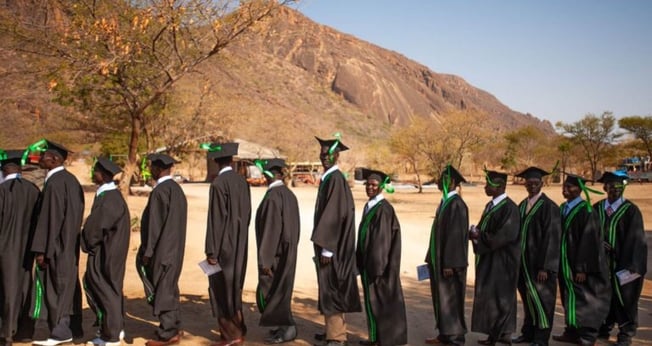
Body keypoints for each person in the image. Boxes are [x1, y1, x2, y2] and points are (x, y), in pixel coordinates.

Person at [30, 140, 85, 346]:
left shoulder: (55, 183)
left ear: (54, 160)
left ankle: (60, 332)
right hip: (68, 245)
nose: (41, 159)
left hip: (56, 246)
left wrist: (43, 249)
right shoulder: (71, 181)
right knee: (67, 285)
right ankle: (72, 329)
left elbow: (49, 219)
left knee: (56, 287)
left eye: (44, 156)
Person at [312, 136, 361, 346]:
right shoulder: (330, 179)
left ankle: (337, 337)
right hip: (330, 245)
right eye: (322, 154)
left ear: (337, 156)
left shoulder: (335, 180)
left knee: (333, 288)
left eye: (329, 154)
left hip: (333, 248)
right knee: (327, 287)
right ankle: (330, 331)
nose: (325, 157)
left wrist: (327, 249)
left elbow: (334, 215)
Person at [553, 173, 610, 346]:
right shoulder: (563, 207)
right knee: (568, 297)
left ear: (579, 189)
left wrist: (582, 268)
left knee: (585, 299)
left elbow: (590, 242)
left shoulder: (586, 211)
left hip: (579, 267)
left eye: (569, 187)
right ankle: (571, 331)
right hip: (565, 263)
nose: (565, 190)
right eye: (564, 187)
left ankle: (588, 335)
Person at [136, 153, 187, 346]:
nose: (150, 170)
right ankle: (174, 325)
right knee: (170, 287)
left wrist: (148, 252)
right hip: (175, 249)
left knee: (163, 289)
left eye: (151, 167)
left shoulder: (160, 191)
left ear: (158, 169)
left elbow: (154, 226)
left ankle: (167, 333)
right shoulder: (177, 190)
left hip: (162, 251)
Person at [204, 143, 251, 346]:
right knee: (235, 286)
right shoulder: (242, 182)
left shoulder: (218, 184)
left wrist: (211, 251)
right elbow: (247, 215)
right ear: (232, 160)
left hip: (223, 245)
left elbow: (215, 220)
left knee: (221, 288)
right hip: (240, 243)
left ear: (215, 161)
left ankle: (231, 335)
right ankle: (240, 328)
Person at [594, 171, 647, 346]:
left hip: (623, 264)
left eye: (618, 186)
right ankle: (603, 328)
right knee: (603, 297)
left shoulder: (631, 211)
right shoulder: (597, 208)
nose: (614, 190)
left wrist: (619, 254)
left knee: (625, 299)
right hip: (601, 264)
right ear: (604, 187)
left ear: (623, 188)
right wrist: (598, 244)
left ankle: (626, 334)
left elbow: (636, 240)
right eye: (610, 186)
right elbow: (589, 234)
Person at [82, 158, 130, 346]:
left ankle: (111, 335)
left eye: (96, 171)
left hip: (106, 254)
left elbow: (95, 229)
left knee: (106, 290)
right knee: (108, 290)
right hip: (108, 251)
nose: (94, 174)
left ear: (104, 175)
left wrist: (86, 241)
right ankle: (112, 330)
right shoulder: (109, 196)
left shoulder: (110, 199)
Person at [469, 170, 520, 346]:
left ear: (501, 186)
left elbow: (505, 235)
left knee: (502, 297)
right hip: (491, 259)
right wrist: (476, 234)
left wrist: (479, 235)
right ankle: (497, 334)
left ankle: (502, 334)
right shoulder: (491, 205)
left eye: (489, 184)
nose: (486, 187)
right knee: (493, 296)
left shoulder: (510, 208)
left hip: (504, 261)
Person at [356, 169, 407, 346]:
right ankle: (375, 338)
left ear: (382, 187)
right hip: (369, 265)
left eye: (374, 185)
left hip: (379, 268)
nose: (370, 187)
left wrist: (376, 268)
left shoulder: (384, 210)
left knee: (382, 304)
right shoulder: (370, 205)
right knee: (374, 304)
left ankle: (384, 341)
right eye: (368, 184)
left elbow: (382, 242)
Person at [512, 167, 561, 346]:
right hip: (524, 264)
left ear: (542, 184)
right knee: (528, 301)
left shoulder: (550, 207)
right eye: (529, 183)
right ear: (524, 184)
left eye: (535, 183)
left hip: (540, 267)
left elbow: (552, 239)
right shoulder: (523, 205)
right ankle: (528, 333)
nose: (532, 186)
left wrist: (546, 267)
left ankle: (541, 339)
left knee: (543, 302)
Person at [254, 159, 300, 344]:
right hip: (287, 252)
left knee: (271, 291)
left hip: (275, 255)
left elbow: (271, 230)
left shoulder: (273, 196)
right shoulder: (288, 194)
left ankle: (288, 328)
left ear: (268, 175)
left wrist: (265, 260)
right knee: (281, 290)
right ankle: (281, 327)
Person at [424, 165, 468, 346]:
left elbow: (455, 237)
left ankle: (456, 338)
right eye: (440, 178)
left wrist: (449, 263)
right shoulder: (444, 202)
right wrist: (430, 258)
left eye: (445, 179)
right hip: (439, 261)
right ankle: (444, 334)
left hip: (450, 264)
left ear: (453, 183)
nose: (441, 181)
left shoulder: (456, 204)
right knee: (441, 300)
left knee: (452, 300)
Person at [0, 150, 40, 346]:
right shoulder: (33, 190)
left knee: (6, 288)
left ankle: (6, 333)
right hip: (27, 249)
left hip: (5, 249)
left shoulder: (2, 190)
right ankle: (24, 331)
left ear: (4, 169)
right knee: (25, 286)